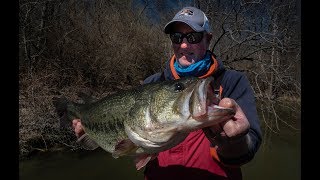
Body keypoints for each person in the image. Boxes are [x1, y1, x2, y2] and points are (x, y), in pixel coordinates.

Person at [72, 6, 262, 180]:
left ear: (208, 38)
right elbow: (129, 147)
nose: (184, 45)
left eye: (193, 37)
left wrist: (234, 142)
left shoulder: (233, 81)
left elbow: (249, 148)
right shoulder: (152, 83)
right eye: (177, 38)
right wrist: (89, 130)